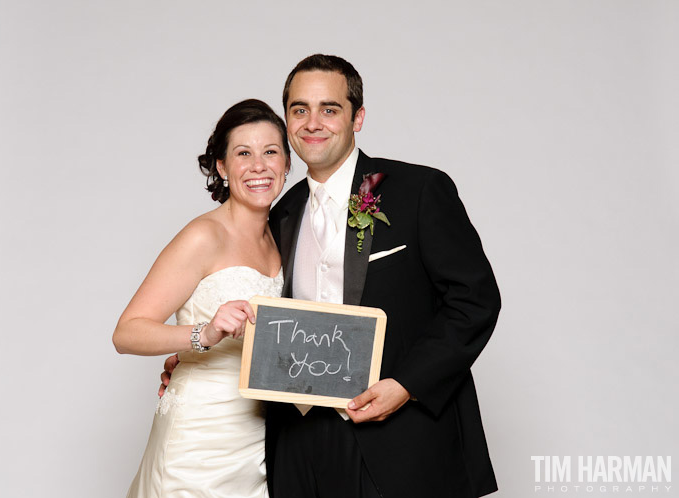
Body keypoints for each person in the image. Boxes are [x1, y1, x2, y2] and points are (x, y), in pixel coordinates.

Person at [163, 54, 501, 498]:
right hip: (298, 442)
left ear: (357, 117)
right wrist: (193, 358)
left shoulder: (418, 190)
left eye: (330, 108)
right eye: (299, 109)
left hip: (401, 437)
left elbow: (475, 300)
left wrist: (406, 386)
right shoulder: (279, 213)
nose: (312, 122)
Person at [113, 99, 290, 498]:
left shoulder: (284, 237)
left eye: (270, 152)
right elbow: (126, 333)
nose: (259, 165)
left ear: (286, 164)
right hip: (199, 439)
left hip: (260, 439)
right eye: (243, 153)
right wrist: (203, 335)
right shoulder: (202, 236)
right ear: (223, 168)